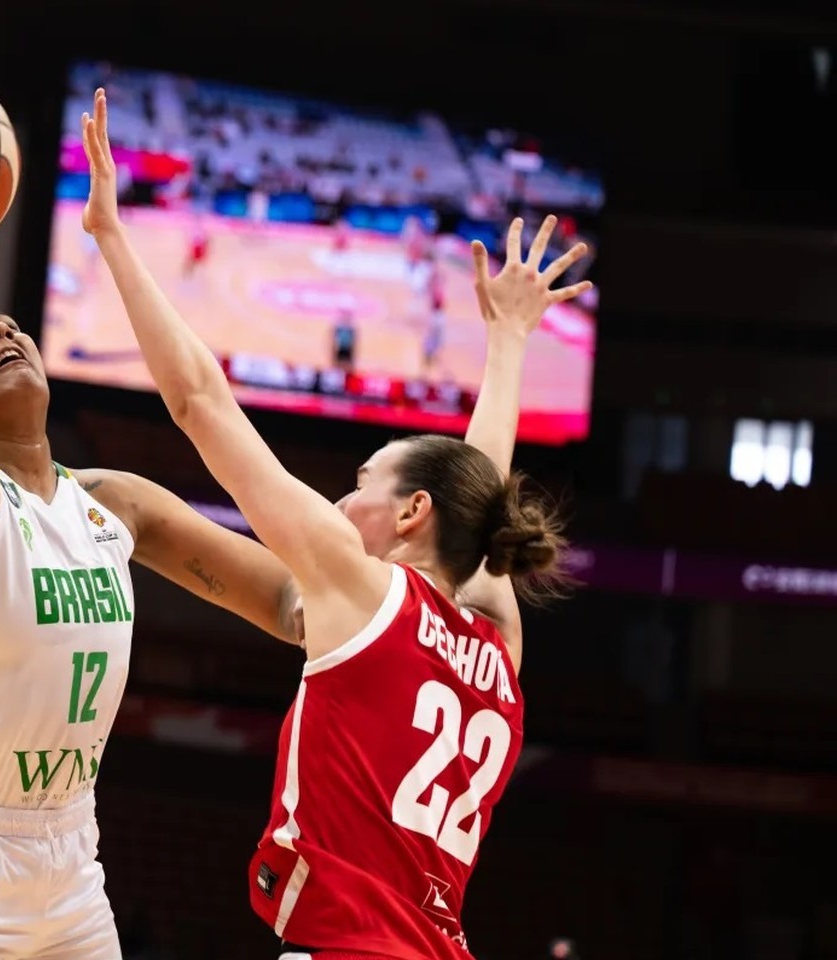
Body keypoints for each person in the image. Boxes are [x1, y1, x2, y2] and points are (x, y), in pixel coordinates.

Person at [82, 89, 590, 959]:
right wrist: (506, 343)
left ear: (410, 513)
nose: (343, 501)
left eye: (362, 483)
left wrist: (113, 237)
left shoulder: (365, 591)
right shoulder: (499, 649)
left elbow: (200, 402)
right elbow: (483, 494)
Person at [0, 169, 300, 957]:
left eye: (6, 323)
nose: (2, 332)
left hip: (69, 860)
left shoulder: (115, 504)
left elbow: (291, 604)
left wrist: (401, 597)